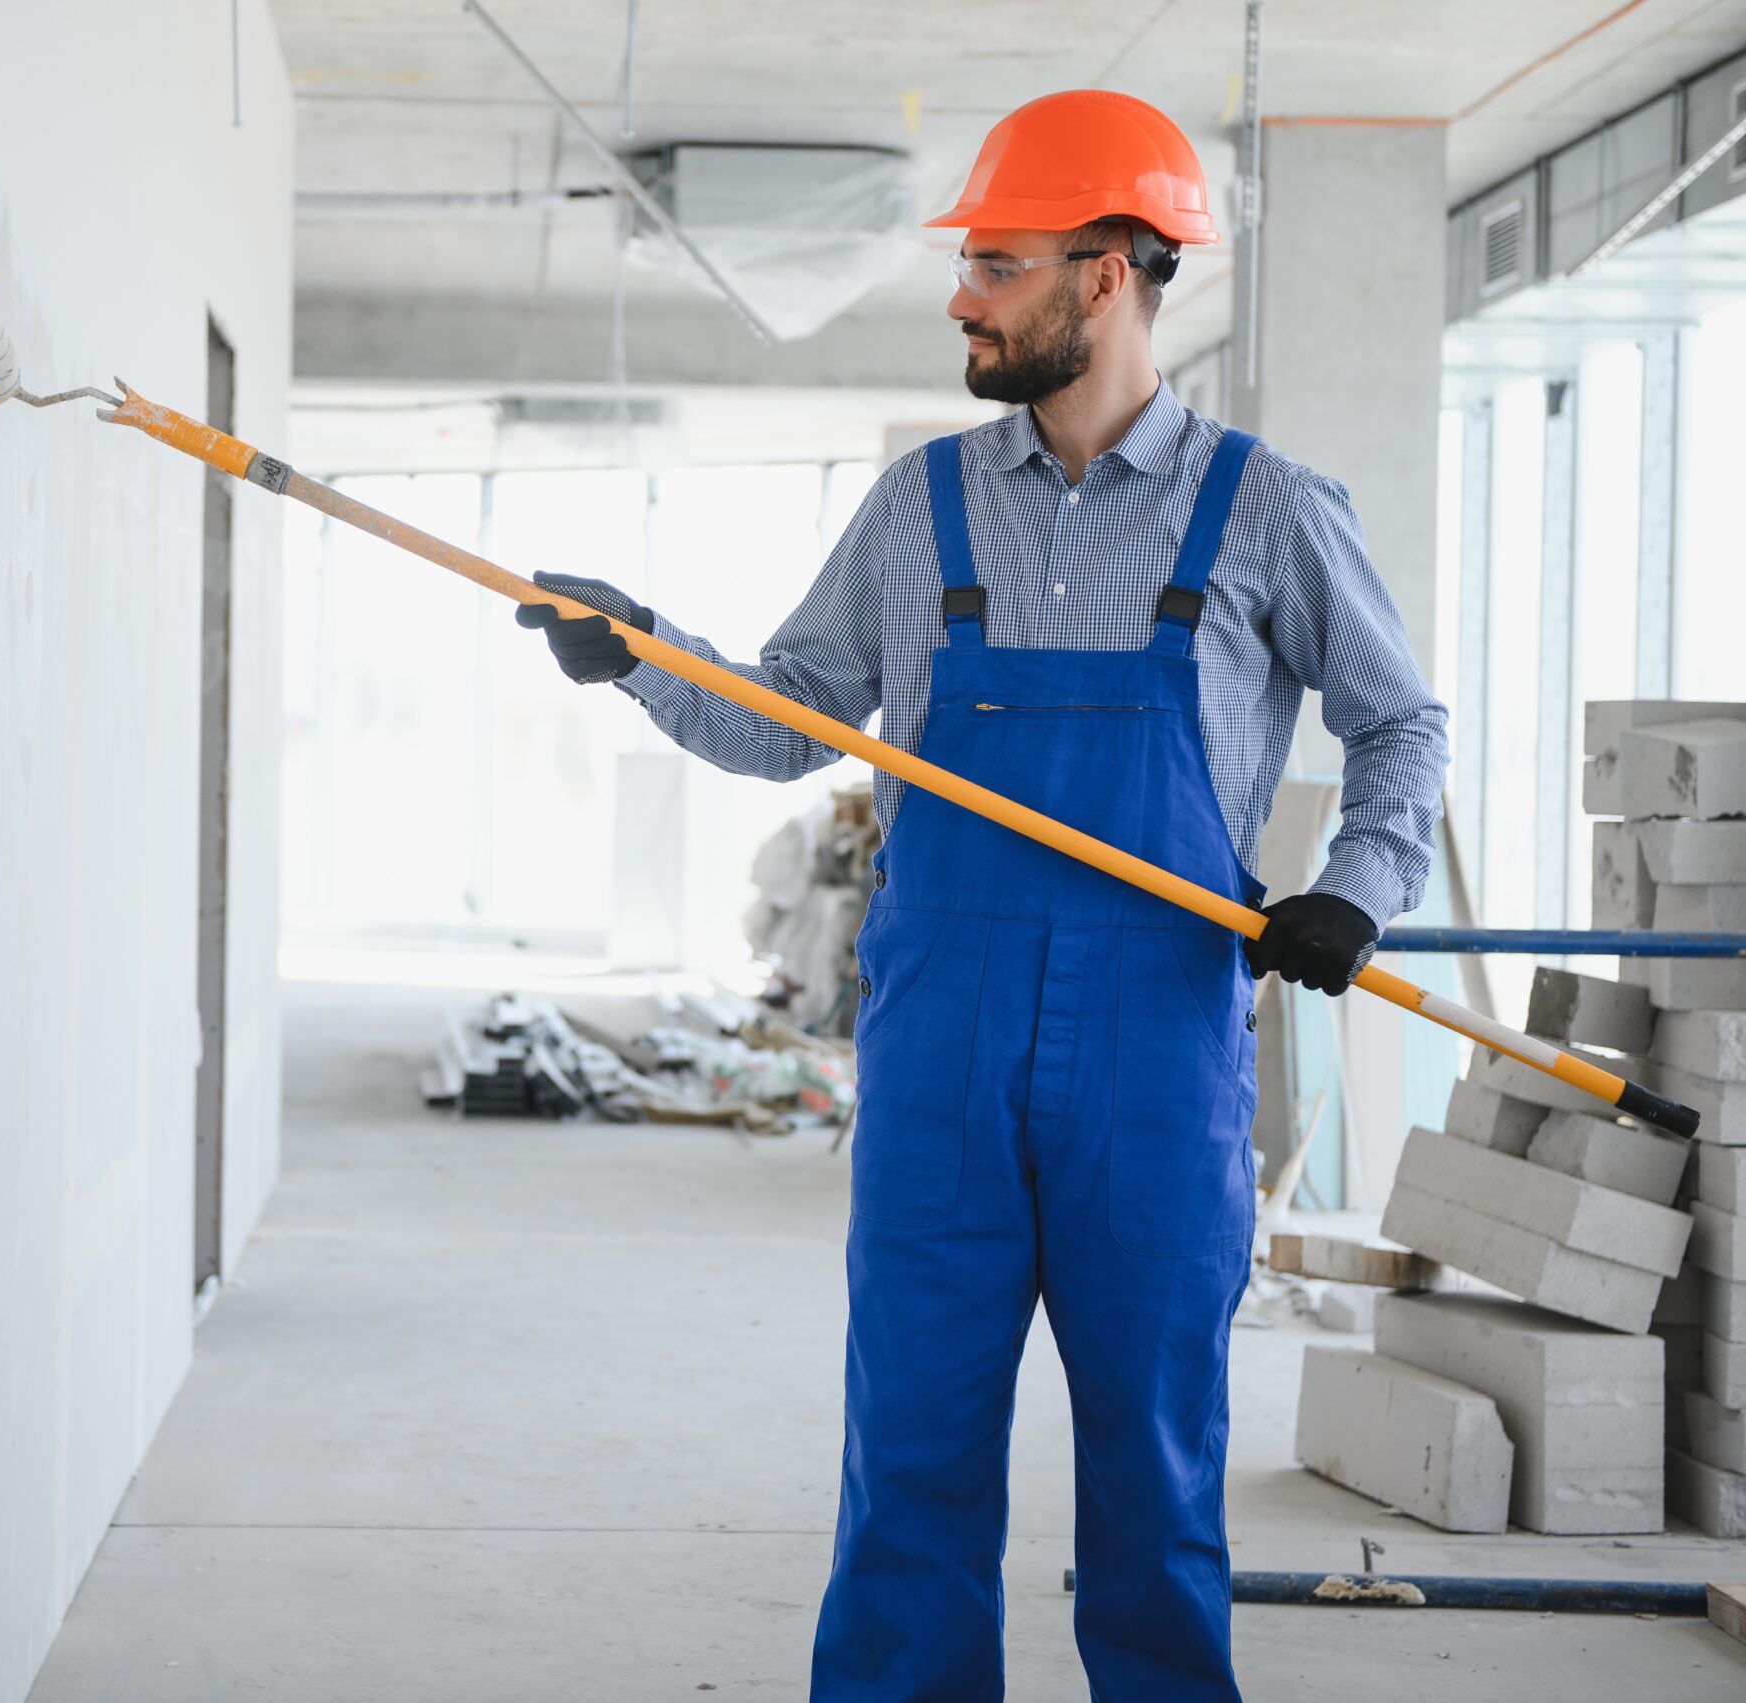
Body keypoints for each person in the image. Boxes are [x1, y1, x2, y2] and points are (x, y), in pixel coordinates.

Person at [517, 88, 1450, 1702]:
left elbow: (1402, 724)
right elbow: (785, 713)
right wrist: (643, 657)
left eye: (997, 263)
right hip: (943, 1049)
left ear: (1104, 274)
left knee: (1158, 1488)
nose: (962, 294)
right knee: (910, 1474)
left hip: (1155, 1057)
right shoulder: (919, 507)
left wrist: (1357, 889)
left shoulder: (1269, 510)